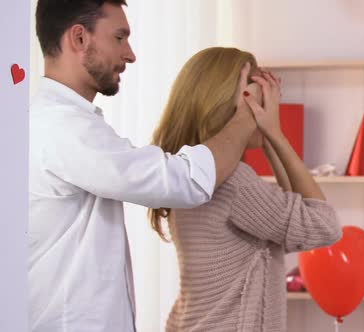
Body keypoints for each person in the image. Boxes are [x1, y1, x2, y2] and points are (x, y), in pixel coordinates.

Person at [29, 1, 258, 331]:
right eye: (119, 38)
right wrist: (246, 118)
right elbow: (184, 181)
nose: (130, 54)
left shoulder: (61, 124)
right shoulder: (63, 128)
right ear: (79, 38)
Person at [149, 47, 342, 332]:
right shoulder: (233, 182)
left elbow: (294, 220)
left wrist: (268, 137)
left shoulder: (192, 171)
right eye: (257, 97)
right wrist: (276, 134)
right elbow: (323, 226)